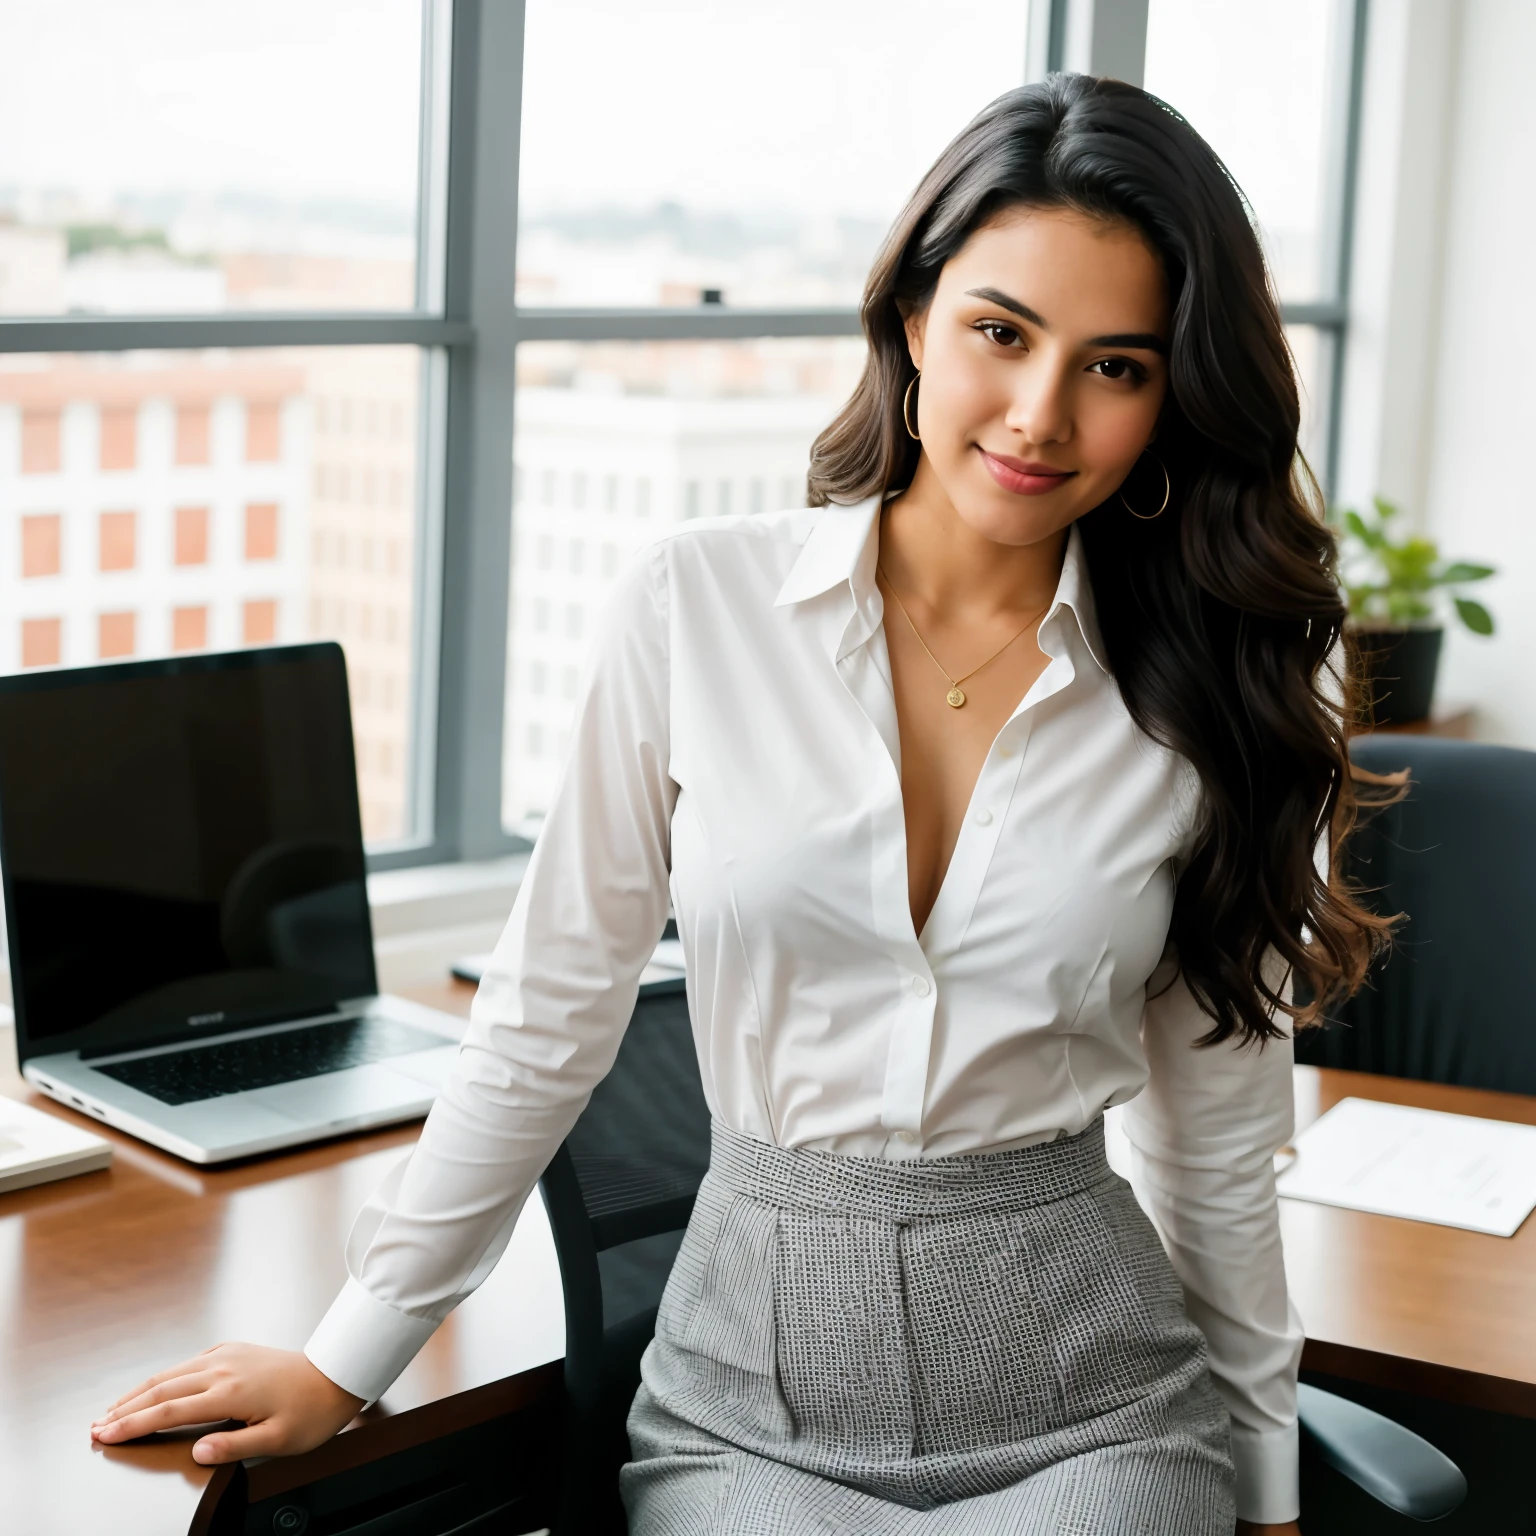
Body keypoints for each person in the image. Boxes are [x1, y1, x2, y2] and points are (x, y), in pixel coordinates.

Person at [92, 74, 1390, 1534]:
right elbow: (544, 1020)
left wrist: (1269, 1492)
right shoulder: (695, 606)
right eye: (999, 333)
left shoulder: (1203, 697)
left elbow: (1210, 1146)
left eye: (1117, 366)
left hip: (1091, 1410)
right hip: (750, 1411)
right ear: (911, 317)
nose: (1039, 414)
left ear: (1170, 397)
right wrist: (351, 1354)